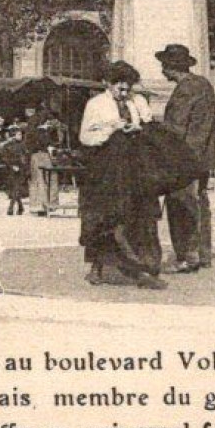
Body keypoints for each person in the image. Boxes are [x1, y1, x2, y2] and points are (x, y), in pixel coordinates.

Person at [78, 61, 167, 289]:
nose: (124, 91)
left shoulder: (137, 102)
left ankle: (144, 269)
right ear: (108, 83)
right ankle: (98, 267)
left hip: (135, 168)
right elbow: (85, 137)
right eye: (119, 86)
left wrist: (140, 129)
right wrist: (111, 129)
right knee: (107, 216)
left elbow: (150, 128)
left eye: (128, 87)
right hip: (107, 168)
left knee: (140, 216)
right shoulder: (96, 104)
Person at [154, 44, 215, 273]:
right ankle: (202, 253)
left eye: (163, 66)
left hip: (185, 158)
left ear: (170, 67)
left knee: (181, 205)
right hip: (203, 157)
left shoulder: (185, 89)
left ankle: (187, 257)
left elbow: (176, 127)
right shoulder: (203, 83)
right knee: (200, 203)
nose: (161, 71)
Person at [26, 113, 59, 217]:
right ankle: (45, 204)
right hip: (41, 156)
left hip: (38, 156)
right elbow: (49, 143)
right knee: (43, 180)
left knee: (40, 180)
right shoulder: (41, 132)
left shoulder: (37, 132)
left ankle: (41, 205)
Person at [0, 125, 30, 216]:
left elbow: (26, 157)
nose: (20, 136)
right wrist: (11, 165)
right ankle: (20, 207)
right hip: (10, 168)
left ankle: (11, 207)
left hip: (21, 168)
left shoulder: (23, 145)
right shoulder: (7, 146)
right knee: (13, 187)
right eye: (18, 134)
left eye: (21, 134)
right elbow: (4, 157)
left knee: (16, 187)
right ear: (13, 135)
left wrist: (24, 167)